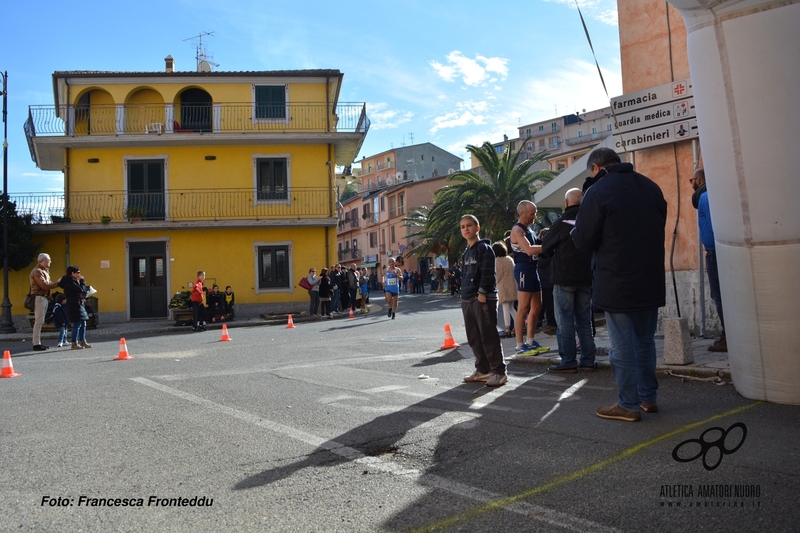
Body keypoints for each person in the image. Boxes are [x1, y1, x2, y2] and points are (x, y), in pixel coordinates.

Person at [572, 148, 667, 422]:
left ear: (596, 168)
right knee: (645, 342)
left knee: (622, 345)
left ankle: (628, 404)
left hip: (617, 279)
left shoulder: (599, 191)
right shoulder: (650, 186)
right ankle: (648, 398)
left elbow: (585, 239)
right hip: (650, 278)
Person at [541, 188, 596, 373]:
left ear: (566, 203)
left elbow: (545, 245)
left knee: (564, 321)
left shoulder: (560, 223)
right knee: (584, 321)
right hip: (586, 277)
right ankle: (588, 360)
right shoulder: (590, 221)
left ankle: (568, 361)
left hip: (563, 276)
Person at [459, 215, 507, 387]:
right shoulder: (466, 252)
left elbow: (488, 273)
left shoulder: (485, 248)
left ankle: (499, 372)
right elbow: (464, 275)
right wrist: (462, 296)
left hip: (482, 299)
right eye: (463, 226)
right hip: (467, 299)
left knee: (488, 335)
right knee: (474, 337)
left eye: (469, 225)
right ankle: (483, 370)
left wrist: (482, 293)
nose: (466, 229)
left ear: (477, 228)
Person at [691, 168, 726, 352]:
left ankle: (727, 336)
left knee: (719, 295)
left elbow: (712, 226)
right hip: (716, 251)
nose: (691, 184)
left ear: (699, 180)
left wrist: (711, 246)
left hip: (713, 251)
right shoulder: (713, 195)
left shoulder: (705, 197)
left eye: (692, 180)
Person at [510, 200, 549, 356]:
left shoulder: (530, 230)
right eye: (532, 213)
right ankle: (520, 345)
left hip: (533, 270)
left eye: (536, 212)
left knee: (537, 307)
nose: (535, 216)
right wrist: (551, 245)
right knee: (523, 308)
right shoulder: (517, 230)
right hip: (523, 270)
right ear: (522, 214)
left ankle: (531, 341)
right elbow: (529, 250)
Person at [29, 253, 60, 351]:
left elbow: (46, 285)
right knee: (39, 321)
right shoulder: (37, 271)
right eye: (48, 260)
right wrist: (58, 283)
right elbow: (44, 285)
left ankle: (37, 343)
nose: (50, 262)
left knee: (40, 321)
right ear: (43, 260)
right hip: (39, 298)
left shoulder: (43, 271)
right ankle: (36, 344)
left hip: (43, 297)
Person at [58, 265, 92, 350]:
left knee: (83, 323)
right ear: (72, 273)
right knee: (77, 324)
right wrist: (82, 281)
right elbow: (80, 290)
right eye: (78, 273)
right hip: (74, 304)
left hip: (78, 303)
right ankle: (74, 343)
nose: (79, 274)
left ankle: (83, 341)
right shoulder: (70, 282)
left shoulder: (73, 280)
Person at [492, 241, 516, 338]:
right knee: (511, 308)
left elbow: (497, 276)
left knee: (506, 308)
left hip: (504, 288)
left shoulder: (497, 261)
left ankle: (507, 329)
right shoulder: (509, 259)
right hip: (513, 286)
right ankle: (520, 326)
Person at [536, 228, 557, 335]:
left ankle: (548, 321)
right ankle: (552, 321)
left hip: (544, 280)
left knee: (546, 303)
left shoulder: (541, 254)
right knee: (551, 303)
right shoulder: (554, 252)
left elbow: (540, 264)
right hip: (553, 279)